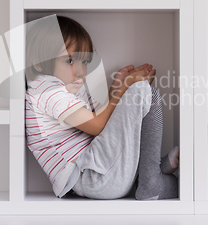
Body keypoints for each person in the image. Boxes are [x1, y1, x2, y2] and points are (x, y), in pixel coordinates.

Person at [25, 15, 179, 200]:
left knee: (137, 94)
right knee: (142, 92)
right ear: (39, 63)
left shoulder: (66, 88)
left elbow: (104, 126)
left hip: (97, 173)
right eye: (70, 61)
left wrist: (117, 87)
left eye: (85, 62)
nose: (81, 71)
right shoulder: (46, 90)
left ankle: (148, 173)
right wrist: (124, 89)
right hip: (92, 177)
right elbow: (98, 126)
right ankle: (150, 177)